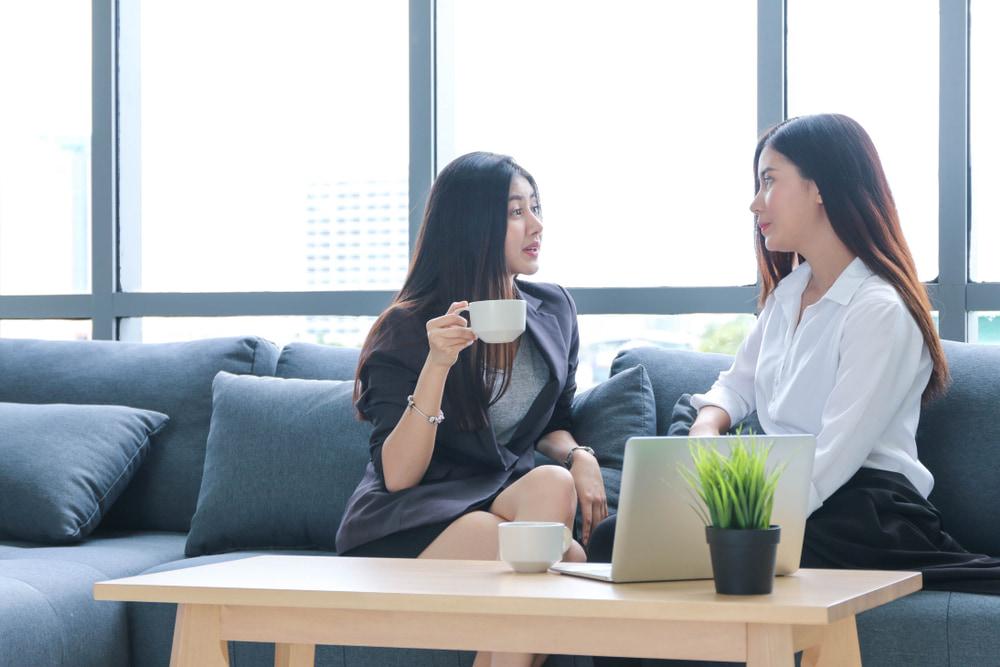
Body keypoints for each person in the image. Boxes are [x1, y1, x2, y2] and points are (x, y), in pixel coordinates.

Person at [588, 113, 1000, 665]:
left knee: (664, 554)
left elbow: (833, 458)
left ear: (820, 187)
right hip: (785, 497)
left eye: (769, 181)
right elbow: (733, 387)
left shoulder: (879, 310)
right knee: (615, 541)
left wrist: (735, 522)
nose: (754, 203)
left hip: (862, 510)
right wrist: (707, 427)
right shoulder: (789, 296)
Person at [335, 151, 608, 667]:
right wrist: (437, 364)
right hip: (412, 517)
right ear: (472, 225)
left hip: (498, 498)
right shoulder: (408, 327)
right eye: (516, 212)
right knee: (566, 563)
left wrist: (579, 456)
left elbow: (554, 422)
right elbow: (399, 475)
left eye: (535, 207)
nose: (536, 225)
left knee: (554, 484)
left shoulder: (554, 310)